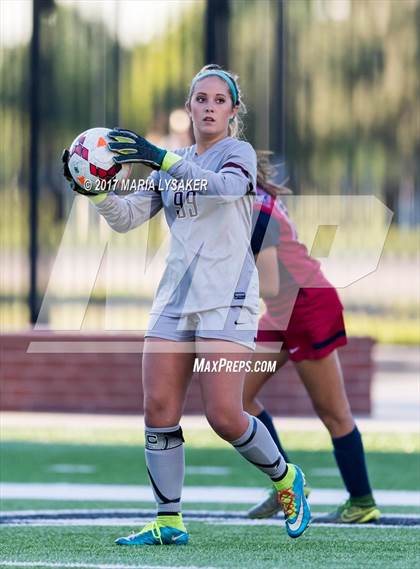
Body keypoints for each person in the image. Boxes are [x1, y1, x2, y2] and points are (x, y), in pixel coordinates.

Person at [62, 65, 310, 544]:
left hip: (227, 301)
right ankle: (169, 521)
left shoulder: (234, 155)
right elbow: (127, 217)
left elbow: (226, 188)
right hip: (175, 299)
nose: (210, 107)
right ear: (190, 106)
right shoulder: (171, 161)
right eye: (202, 99)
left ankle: (286, 478)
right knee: (158, 407)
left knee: (223, 415)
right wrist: (95, 190)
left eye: (220, 100)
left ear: (234, 111)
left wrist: (159, 158)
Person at [244, 158, 380, 524]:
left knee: (333, 412)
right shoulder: (248, 200)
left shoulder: (255, 210)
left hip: (304, 306)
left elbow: (268, 282)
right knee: (235, 398)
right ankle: (287, 483)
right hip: (282, 308)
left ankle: (362, 501)